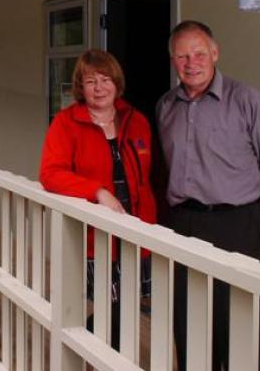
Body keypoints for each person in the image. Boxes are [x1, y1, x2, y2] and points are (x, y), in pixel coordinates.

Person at [156, 20, 260, 370]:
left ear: (215, 53)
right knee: (190, 316)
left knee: (241, 317)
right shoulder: (165, 106)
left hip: (238, 223)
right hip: (185, 223)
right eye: (182, 56)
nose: (192, 62)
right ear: (173, 61)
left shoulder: (246, 100)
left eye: (199, 53)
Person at [39, 49, 157, 349]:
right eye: (91, 81)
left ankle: (101, 351)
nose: (99, 87)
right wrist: (97, 191)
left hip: (136, 231)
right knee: (111, 304)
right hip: (96, 235)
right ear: (81, 86)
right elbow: (51, 173)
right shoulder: (66, 123)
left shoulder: (137, 120)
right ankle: (95, 352)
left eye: (105, 79)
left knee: (127, 302)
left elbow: (152, 176)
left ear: (116, 83)